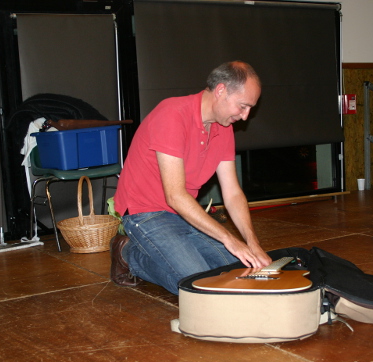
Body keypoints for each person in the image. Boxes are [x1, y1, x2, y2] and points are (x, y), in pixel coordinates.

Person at [110, 61, 272, 295]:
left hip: (183, 213)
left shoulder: (223, 127)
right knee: (202, 286)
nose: (245, 116)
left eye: (250, 109)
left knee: (237, 273)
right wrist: (230, 239)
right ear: (221, 91)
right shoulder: (172, 114)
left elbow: (233, 192)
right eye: (243, 106)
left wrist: (251, 243)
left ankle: (155, 253)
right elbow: (175, 196)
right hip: (144, 212)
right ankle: (128, 254)